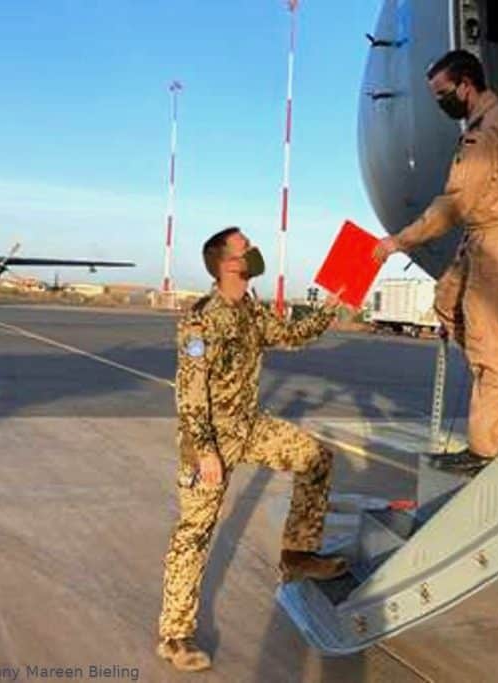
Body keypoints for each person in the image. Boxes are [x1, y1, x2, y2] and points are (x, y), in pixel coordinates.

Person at [157, 227, 349, 672]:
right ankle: (175, 635)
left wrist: (330, 308)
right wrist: (205, 452)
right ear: (227, 264)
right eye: (246, 249)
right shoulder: (201, 320)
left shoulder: (249, 310)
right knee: (194, 533)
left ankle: (298, 554)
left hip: (248, 427)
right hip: (208, 440)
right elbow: (190, 393)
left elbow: (290, 336)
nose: (255, 252)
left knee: (315, 457)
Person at [373, 49, 498, 473]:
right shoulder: (487, 123)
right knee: (447, 303)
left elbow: (454, 205)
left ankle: (483, 451)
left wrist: (399, 241)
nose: (440, 102)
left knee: (487, 339)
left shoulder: (485, 134)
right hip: (485, 236)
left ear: (466, 84)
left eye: (443, 93)